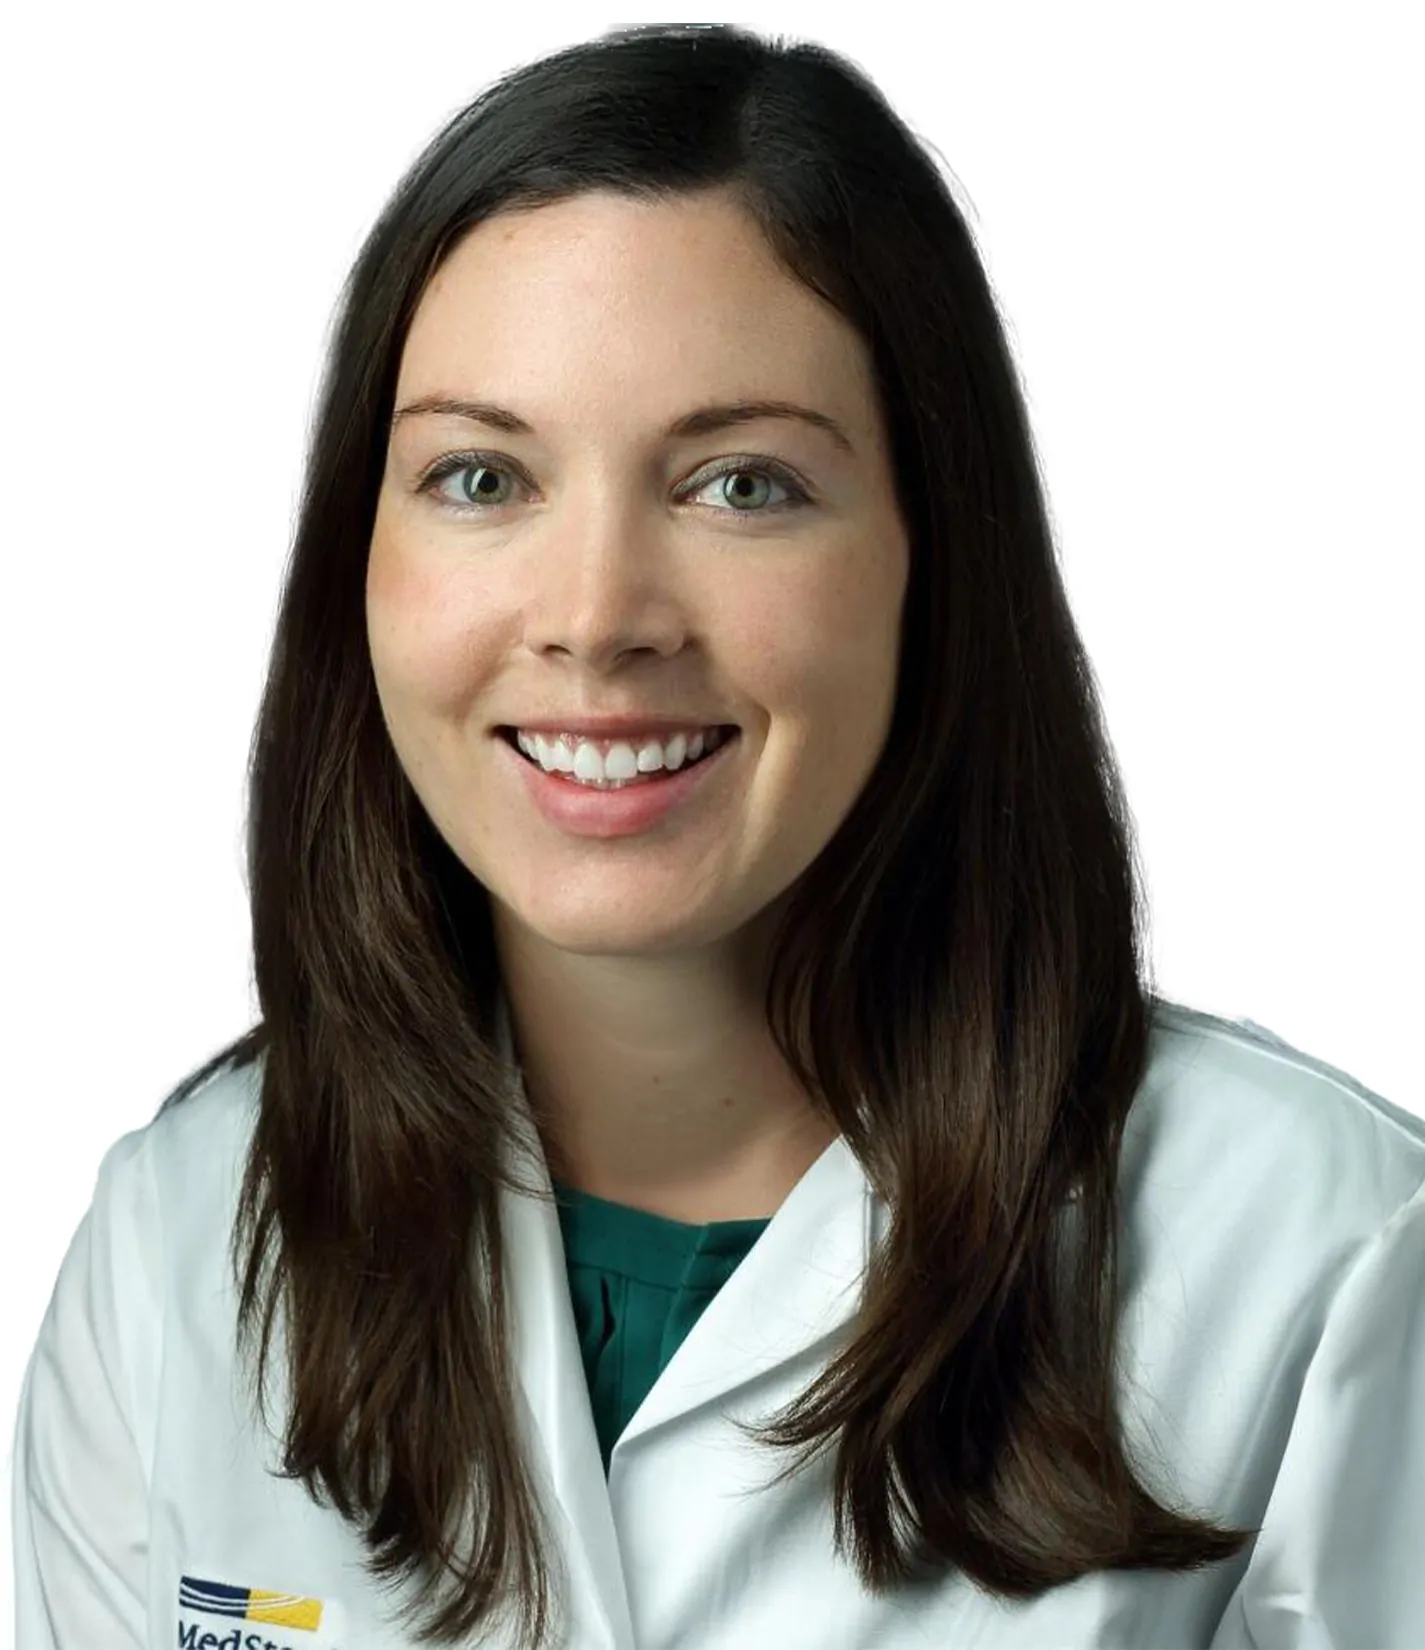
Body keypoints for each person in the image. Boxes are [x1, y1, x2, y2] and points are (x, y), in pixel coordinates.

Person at [12, 21, 1424, 1650]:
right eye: (480, 476)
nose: (598, 618)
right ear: (360, 565)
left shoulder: (1320, 1264)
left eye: (741, 484)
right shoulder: (179, 1243)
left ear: (929, 561)